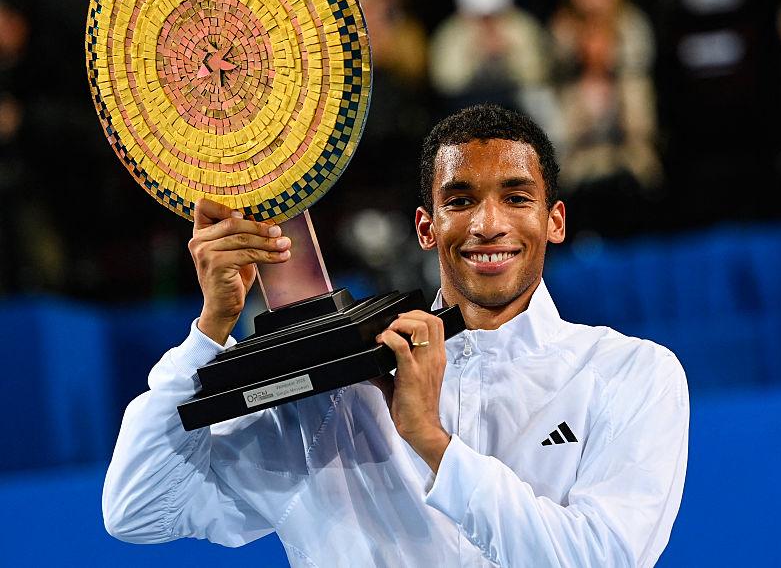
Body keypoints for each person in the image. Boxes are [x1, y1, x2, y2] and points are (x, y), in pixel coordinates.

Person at [102, 104, 689, 567]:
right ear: (427, 228)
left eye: (516, 198)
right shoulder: (339, 397)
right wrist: (211, 328)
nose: (488, 224)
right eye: (460, 201)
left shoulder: (630, 373)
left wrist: (431, 442)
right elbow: (139, 509)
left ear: (553, 220)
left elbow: (599, 559)